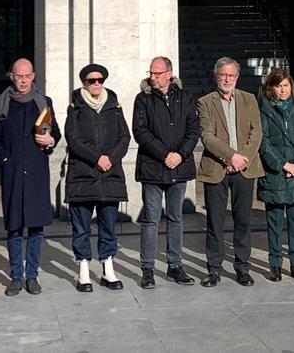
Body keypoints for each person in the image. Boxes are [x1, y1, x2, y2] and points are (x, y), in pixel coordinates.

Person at [0, 58, 59, 295]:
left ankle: (33, 275)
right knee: (14, 227)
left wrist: (50, 141)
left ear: (33, 76)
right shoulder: (2, 103)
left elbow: (53, 131)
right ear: (12, 77)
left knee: (36, 227)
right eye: (19, 76)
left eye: (27, 76)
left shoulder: (43, 102)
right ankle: (16, 276)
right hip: (14, 173)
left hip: (37, 172)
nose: (24, 80)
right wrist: (6, 161)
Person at [132, 56, 201, 289]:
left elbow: (194, 129)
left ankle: (175, 265)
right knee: (151, 219)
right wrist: (165, 155)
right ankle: (148, 269)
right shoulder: (143, 99)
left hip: (179, 168)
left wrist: (180, 154)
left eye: (157, 73)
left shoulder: (186, 98)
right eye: (151, 73)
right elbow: (141, 132)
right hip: (153, 168)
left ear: (169, 74)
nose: (153, 77)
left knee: (176, 218)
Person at [197, 56, 264, 287]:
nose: (227, 79)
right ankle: (213, 269)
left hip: (244, 168)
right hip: (217, 168)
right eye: (223, 74)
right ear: (216, 76)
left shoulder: (249, 99)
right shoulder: (205, 102)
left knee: (243, 220)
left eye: (231, 75)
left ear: (237, 77)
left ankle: (242, 268)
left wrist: (241, 158)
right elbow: (207, 135)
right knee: (215, 222)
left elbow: (256, 133)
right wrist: (230, 156)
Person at [65, 63, 130, 293]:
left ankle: (107, 268)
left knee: (108, 225)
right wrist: (96, 158)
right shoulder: (75, 107)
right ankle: (83, 270)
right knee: (81, 226)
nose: (96, 84)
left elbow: (124, 136)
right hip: (83, 174)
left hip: (110, 174)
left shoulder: (114, 105)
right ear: (84, 82)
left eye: (100, 80)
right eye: (91, 80)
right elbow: (73, 138)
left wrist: (109, 158)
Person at [257, 69, 294, 282]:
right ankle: (275, 263)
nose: (283, 90)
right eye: (278, 86)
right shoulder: (263, 109)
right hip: (276, 174)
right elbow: (262, 142)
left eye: (286, 85)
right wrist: (283, 164)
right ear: (270, 88)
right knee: (274, 221)